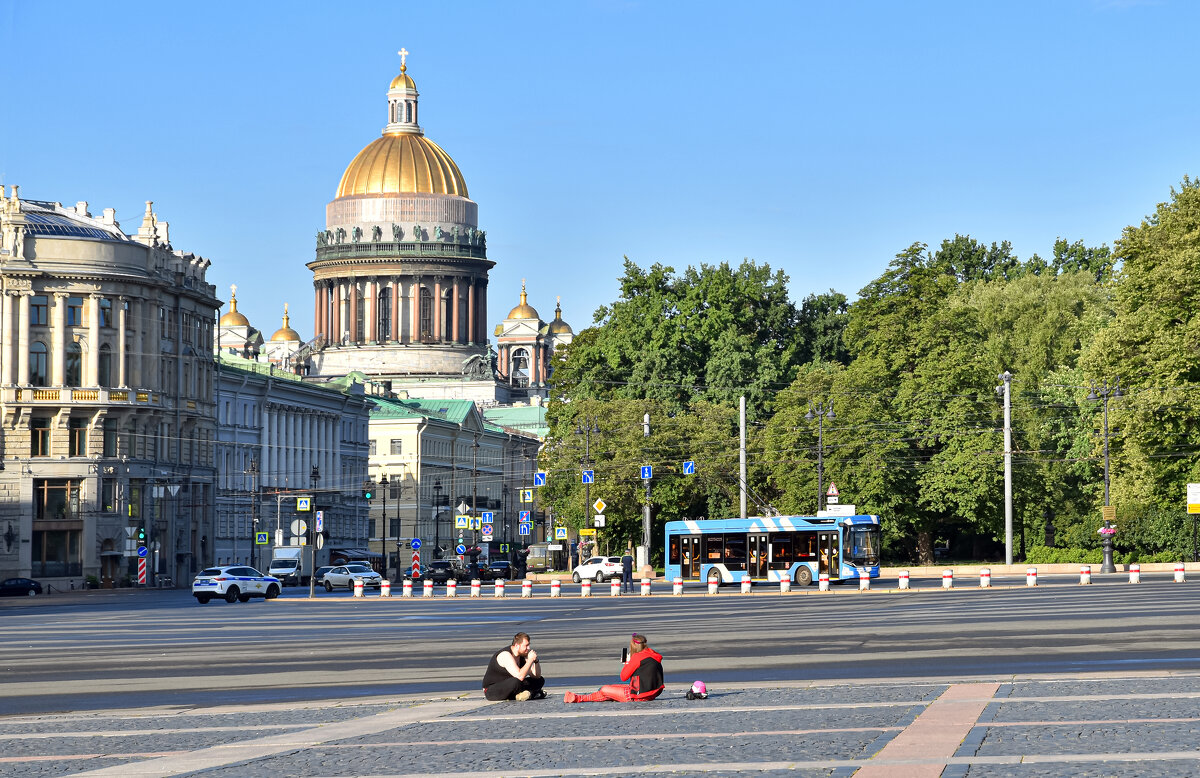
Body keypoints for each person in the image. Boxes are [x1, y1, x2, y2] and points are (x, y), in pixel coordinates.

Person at [563, 633, 663, 703]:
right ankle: (578, 698)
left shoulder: (637, 657)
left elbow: (623, 677)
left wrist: (627, 663)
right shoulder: (654, 655)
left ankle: (578, 698)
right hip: (651, 693)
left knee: (604, 689)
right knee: (613, 687)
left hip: (638, 696)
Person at [482, 632, 546, 701]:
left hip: (512, 685)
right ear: (517, 646)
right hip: (493, 690)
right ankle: (529, 694)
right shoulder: (505, 655)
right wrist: (530, 660)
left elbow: (536, 676)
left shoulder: (522, 655)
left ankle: (525, 694)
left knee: (539, 680)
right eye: (526, 646)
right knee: (516, 681)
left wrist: (536, 661)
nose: (528, 648)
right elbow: (520, 676)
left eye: (529, 645)